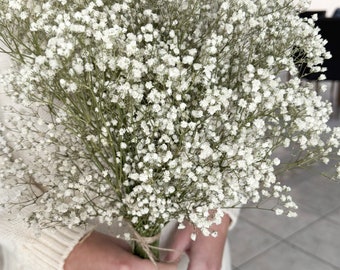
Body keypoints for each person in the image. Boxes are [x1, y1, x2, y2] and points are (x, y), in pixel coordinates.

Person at [0, 53, 239, 270]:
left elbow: (238, 54)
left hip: (184, 237)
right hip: (50, 255)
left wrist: (217, 203)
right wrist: (63, 248)